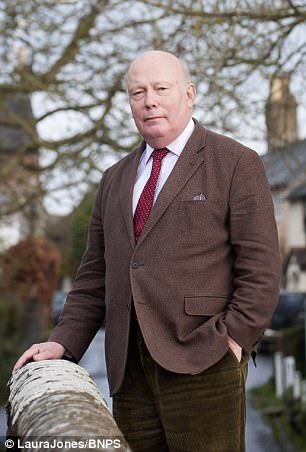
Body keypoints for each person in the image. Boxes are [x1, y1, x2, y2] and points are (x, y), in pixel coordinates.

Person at [14, 50, 281, 451]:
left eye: (160, 88)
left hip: (204, 361)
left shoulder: (236, 163)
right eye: (138, 92)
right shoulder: (114, 179)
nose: (149, 100)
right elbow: (94, 276)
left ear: (189, 94)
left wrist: (234, 339)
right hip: (128, 371)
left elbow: (260, 268)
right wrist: (63, 342)